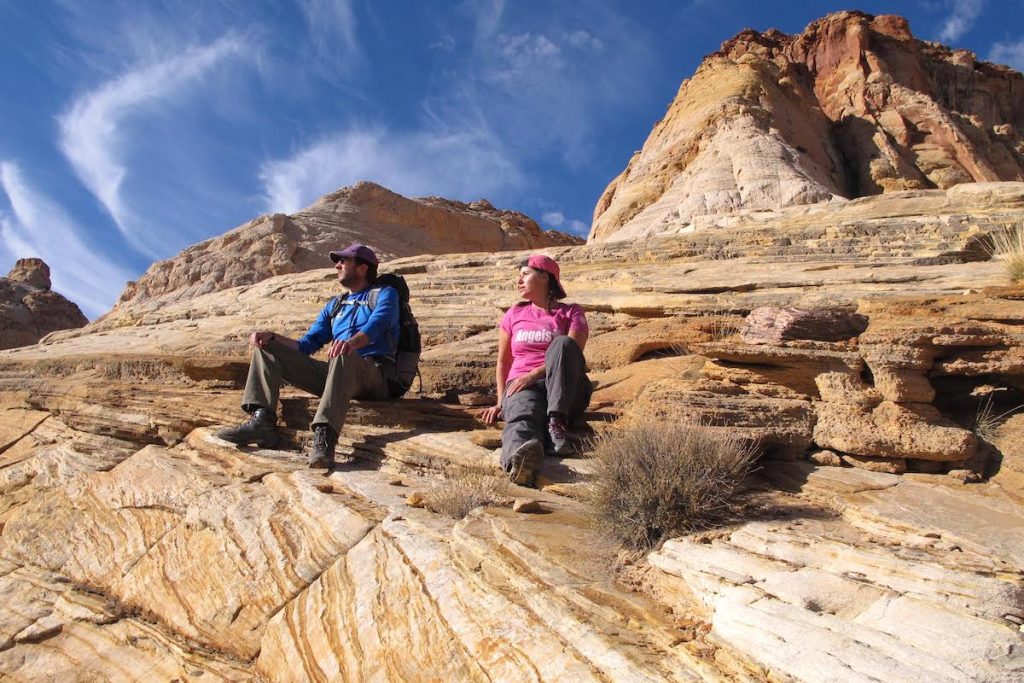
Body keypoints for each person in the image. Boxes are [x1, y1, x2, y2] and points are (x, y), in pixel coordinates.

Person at [216, 243, 399, 469]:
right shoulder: (335, 305)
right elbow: (307, 344)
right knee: (267, 348)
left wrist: (351, 343)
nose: (337, 266)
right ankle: (262, 421)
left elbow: (379, 323)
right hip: (338, 375)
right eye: (337, 261)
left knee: (343, 355)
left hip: (375, 376)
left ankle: (325, 437)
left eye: (343, 261)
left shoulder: (385, 294)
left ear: (362, 268)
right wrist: (273, 338)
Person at [481, 254, 591, 486]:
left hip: (564, 387)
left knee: (562, 344)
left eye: (525, 275)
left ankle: (556, 423)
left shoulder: (571, 312)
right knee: (523, 414)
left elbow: (573, 353)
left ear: (544, 276)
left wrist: (534, 375)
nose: (518, 281)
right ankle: (518, 462)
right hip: (522, 386)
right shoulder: (514, 314)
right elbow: (503, 363)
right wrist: (501, 402)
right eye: (518, 276)